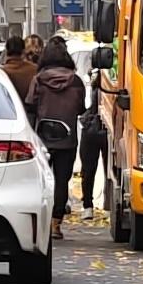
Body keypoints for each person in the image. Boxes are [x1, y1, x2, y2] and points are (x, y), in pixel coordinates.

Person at [26, 31, 84, 237]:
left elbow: (31, 105)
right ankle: (56, 224)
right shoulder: (75, 81)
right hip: (67, 138)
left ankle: (39, 222)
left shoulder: (39, 80)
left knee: (41, 179)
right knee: (62, 180)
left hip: (43, 136)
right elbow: (80, 108)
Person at [79, 45, 111, 224]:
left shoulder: (88, 79)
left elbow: (83, 107)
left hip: (91, 128)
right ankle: (106, 205)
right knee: (108, 169)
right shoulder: (113, 79)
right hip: (105, 129)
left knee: (88, 170)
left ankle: (88, 206)